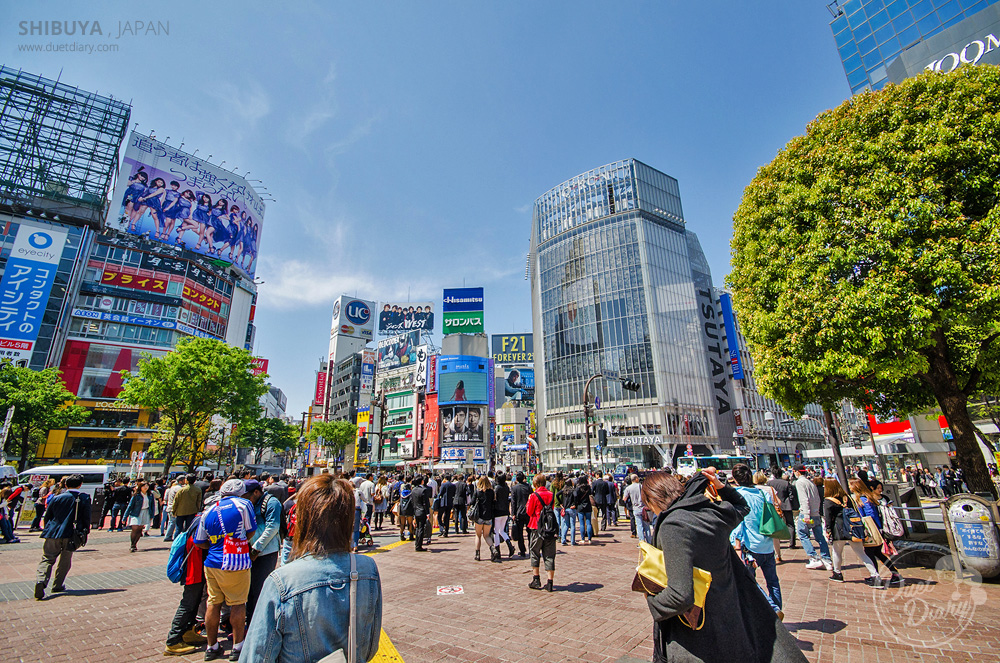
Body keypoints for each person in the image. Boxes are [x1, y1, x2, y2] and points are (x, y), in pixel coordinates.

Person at [643, 470, 806, 662]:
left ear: (653, 498)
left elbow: (680, 595)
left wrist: (653, 601)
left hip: (699, 629)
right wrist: (723, 488)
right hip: (729, 608)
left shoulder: (674, 525)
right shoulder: (709, 512)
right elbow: (741, 506)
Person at [239, 475, 382, 662]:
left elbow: (255, 657)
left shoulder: (282, 581)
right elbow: (370, 646)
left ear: (304, 518)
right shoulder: (368, 569)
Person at [193, 479, 257, 661]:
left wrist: (217, 545)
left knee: (213, 603)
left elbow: (200, 541)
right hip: (236, 561)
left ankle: (212, 646)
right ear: (242, 491)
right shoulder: (244, 504)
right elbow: (250, 530)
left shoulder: (209, 509)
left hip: (212, 562)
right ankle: (238, 646)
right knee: (238, 603)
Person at [731, 464, 783, 619]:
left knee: (748, 581)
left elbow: (739, 523)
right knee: (773, 581)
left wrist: (737, 545)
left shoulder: (737, 495)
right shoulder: (762, 493)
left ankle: (772, 609)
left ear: (734, 479)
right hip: (767, 543)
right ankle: (777, 610)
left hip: (750, 546)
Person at [34, 474, 91, 601]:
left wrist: (48, 528)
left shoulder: (57, 497)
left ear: (65, 484)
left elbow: (48, 515)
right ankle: (58, 585)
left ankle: (41, 580)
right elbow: (86, 517)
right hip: (71, 533)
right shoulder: (84, 498)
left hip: (53, 532)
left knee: (47, 558)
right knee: (65, 560)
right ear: (80, 484)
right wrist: (85, 531)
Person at [164, 512, 209, 656]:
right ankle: (173, 641)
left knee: (194, 602)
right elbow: (199, 542)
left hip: (195, 568)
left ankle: (188, 632)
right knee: (188, 604)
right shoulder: (203, 520)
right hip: (194, 569)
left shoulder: (198, 518)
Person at [821, 478, 881, 586]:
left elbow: (828, 518)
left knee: (837, 552)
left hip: (838, 530)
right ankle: (875, 575)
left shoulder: (828, 501)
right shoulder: (846, 497)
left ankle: (837, 573)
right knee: (861, 553)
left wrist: (827, 530)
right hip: (853, 528)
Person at [853, 479, 903, 587]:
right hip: (875, 528)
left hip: (872, 529)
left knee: (870, 553)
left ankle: (876, 576)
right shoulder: (867, 498)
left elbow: (870, 515)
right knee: (877, 553)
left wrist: (874, 528)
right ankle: (893, 573)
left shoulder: (863, 499)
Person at [244, 480, 282, 623]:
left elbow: (273, 528)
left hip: (266, 552)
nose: (245, 499)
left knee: (259, 588)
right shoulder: (250, 504)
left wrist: (256, 549)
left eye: (247, 496)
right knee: (249, 590)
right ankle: (249, 621)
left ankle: (259, 622)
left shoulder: (271, 503)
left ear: (256, 492)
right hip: (251, 550)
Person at [793, 466, 832, 571]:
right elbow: (816, 498)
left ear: (796, 472)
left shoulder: (800, 483)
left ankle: (813, 557)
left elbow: (804, 499)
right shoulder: (811, 482)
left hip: (806, 514)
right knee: (820, 537)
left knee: (802, 534)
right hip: (815, 513)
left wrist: (806, 514)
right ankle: (826, 559)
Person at [526, 473, 556, 592]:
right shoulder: (551, 495)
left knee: (534, 552)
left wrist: (529, 501)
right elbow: (551, 509)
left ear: (536, 483)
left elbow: (529, 511)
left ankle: (536, 578)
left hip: (536, 526)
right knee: (549, 554)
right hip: (549, 528)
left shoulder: (534, 495)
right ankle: (550, 582)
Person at [753, 471, 784, 563]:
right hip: (771, 514)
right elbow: (778, 502)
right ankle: (778, 555)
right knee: (774, 536)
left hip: (759, 515)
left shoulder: (754, 489)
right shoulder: (770, 488)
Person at [767, 468, 797, 550]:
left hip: (775, 506)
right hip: (786, 505)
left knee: (775, 524)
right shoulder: (786, 483)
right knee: (790, 524)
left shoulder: (769, 483)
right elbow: (791, 495)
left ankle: (777, 542)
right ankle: (792, 543)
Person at [124, 480, 158, 552]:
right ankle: (132, 544)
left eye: (147, 486)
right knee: (135, 528)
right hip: (136, 512)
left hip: (145, 512)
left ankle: (135, 544)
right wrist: (125, 517)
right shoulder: (136, 495)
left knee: (140, 529)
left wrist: (152, 515)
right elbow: (130, 506)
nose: (146, 487)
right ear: (140, 487)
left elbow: (152, 505)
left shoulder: (150, 495)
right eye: (144, 486)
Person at [471, 475, 495, 561]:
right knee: (486, 535)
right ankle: (493, 549)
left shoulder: (477, 491)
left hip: (479, 516)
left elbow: (472, 502)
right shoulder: (491, 492)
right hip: (488, 516)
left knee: (478, 535)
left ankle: (477, 554)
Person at [492, 472, 515, 560]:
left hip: (497, 511)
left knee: (496, 532)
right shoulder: (506, 487)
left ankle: (498, 551)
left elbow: (494, 499)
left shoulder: (497, 488)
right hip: (505, 511)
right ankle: (510, 546)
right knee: (502, 530)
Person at [510, 471, 532, 557]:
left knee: (520, 533)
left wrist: (513, 513)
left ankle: (522, 550)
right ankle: (531, 549)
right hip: (528, 511)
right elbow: (531, 498)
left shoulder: (514, 488)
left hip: (519, 512)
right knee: (530, 532)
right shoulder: (528, 487)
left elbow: (513, 502)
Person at [623, 474, 649, 543]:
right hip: (644, 508)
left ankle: (641, 542)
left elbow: (624, 498)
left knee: (639, 526)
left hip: (635, 508)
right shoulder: (642, 486)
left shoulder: (628, 488)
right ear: (636, 479)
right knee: (647, 526)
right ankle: (649, 541)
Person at [410, 475, 431, 552]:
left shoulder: (413, 490)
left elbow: (412, 501)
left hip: (416, 511)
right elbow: (425, 503)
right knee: (421, 528)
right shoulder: (423, 490)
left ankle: (417, 544)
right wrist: (427, 513)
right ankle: (419, 545)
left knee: (418, 528)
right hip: (422, 511)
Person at [574, 474, 595, 544]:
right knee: (589, 522)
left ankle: (583, 539)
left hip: (580, 506)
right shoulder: (588, 487)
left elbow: (575, 496)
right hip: (588, 505)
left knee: (582, 523)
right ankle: (589, 539)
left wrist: (576, 504)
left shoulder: (578, 488)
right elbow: (591, 493)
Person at [560, 477, 578, 545]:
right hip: (571, 508)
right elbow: (576, 496)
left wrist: (560, 503)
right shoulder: (573, 490)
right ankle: (573, 541)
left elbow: (557, 494)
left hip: (565, 508)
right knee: (572, 525)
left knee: (566, 525)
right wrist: (575, 504)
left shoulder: (564, 490)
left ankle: (563, 540)